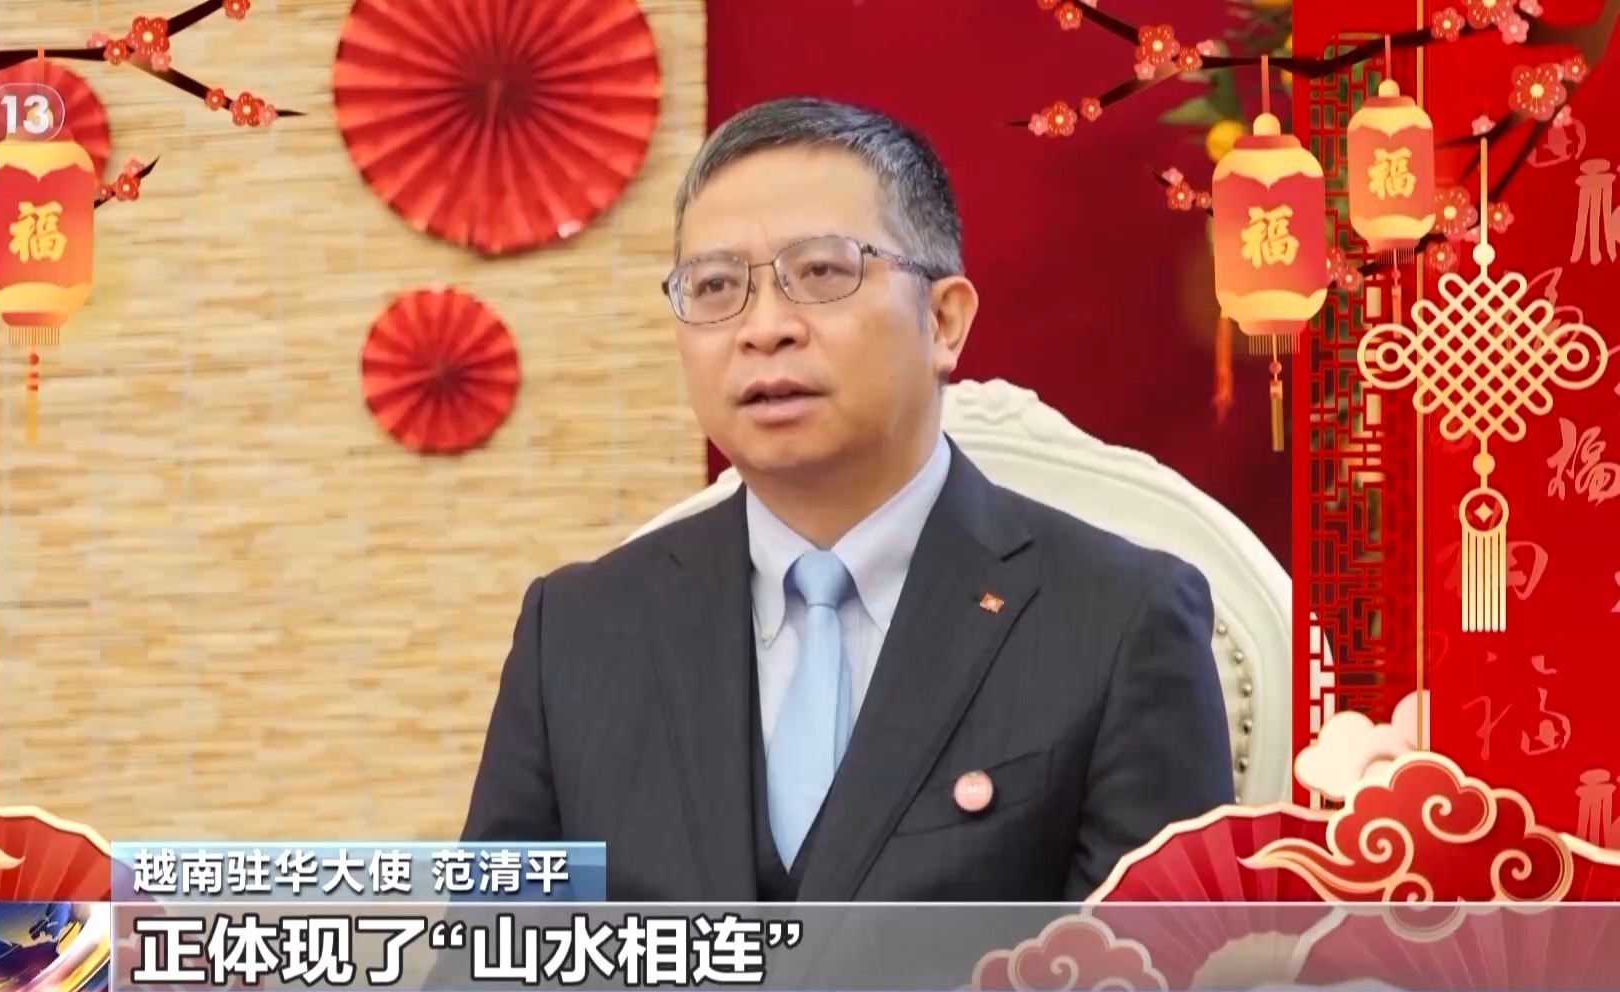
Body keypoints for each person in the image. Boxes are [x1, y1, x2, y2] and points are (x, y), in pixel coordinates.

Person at [460, 96, 1234, 902]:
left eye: (822, 273)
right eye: (716, 286)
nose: (764, 328)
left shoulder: (1119, 620)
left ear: (944, 321)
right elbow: (488, 950)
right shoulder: (575, 632)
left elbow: (1160, 956)